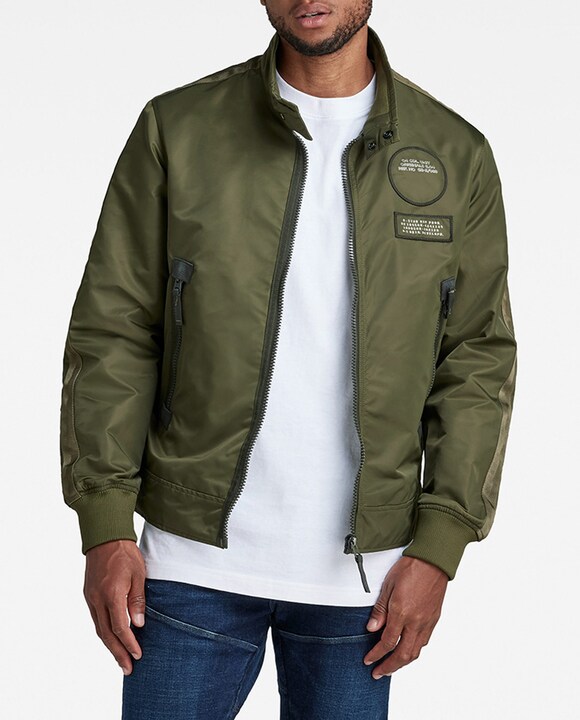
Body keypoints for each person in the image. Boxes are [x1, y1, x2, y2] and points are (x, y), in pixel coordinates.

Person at [59, 1, 517, 717]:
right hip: (187, 565)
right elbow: (114, 329)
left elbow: (477, 361)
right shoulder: (178, 128)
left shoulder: (455, 154)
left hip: (362, 585)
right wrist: (106, 523)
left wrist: (439, 547)